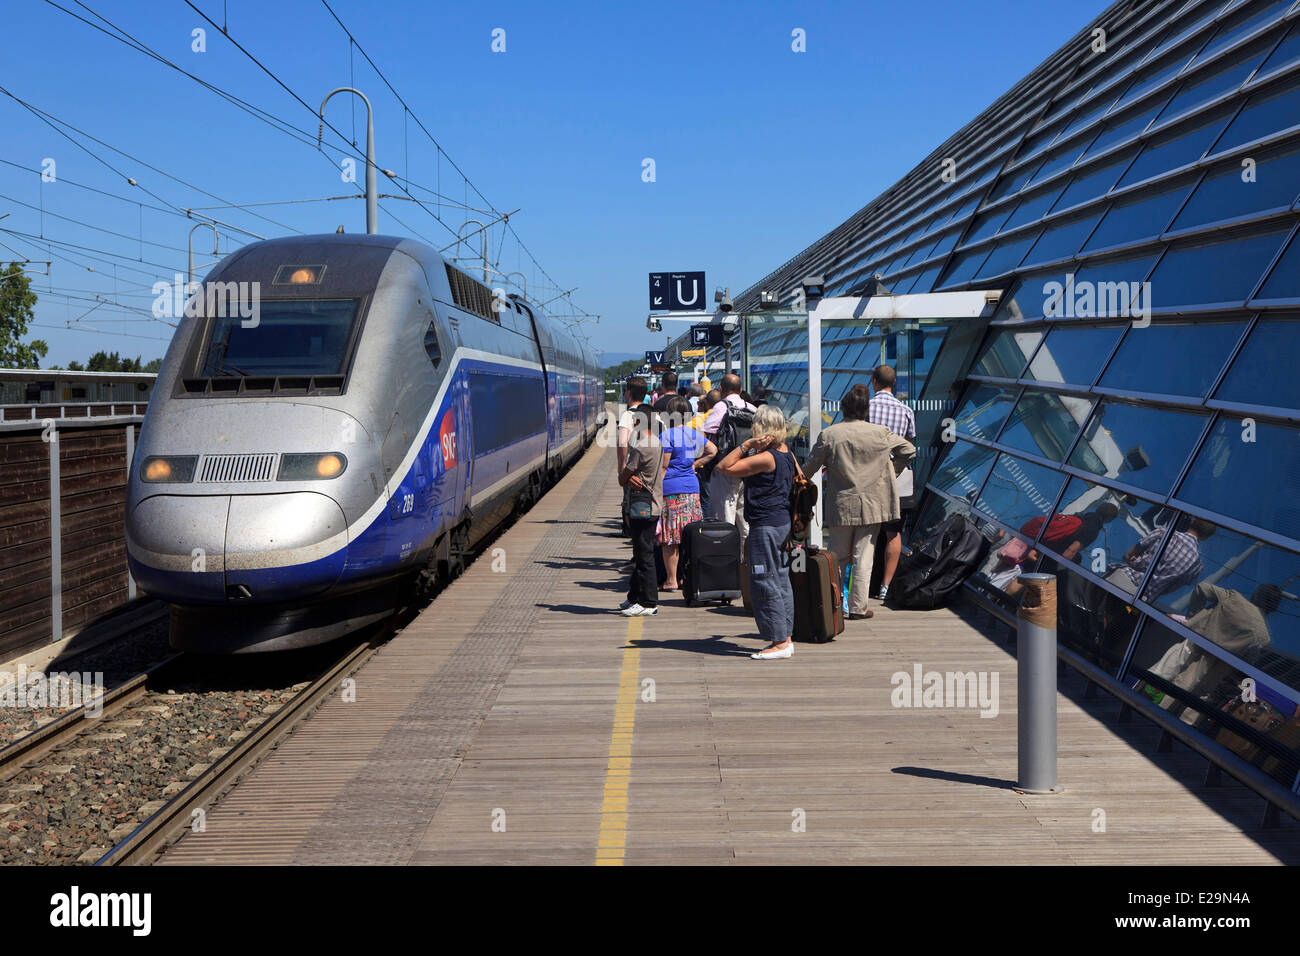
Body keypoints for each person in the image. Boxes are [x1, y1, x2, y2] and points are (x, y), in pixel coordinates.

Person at [804, 383, 915, 620]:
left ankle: (833, 603)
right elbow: (909, 449)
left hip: (841, 503)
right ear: (865, 410)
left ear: (843, 408)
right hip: (873, 502)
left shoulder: (830, 434)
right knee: (864, 556)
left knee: (838, 555)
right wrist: (891, 472)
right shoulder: (880, 433)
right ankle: (858, 607)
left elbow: (809, 468)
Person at [715, 405, 797, 660]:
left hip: (765, 526)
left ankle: (779, 641)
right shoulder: (788, 454)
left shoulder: (765, 458)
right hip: (782, 523)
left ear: (762, 429)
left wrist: (746, 444)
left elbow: (724, 467)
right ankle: (786, 636)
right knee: (781, 580)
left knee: (764, 580)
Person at [868, 365, 917, 602]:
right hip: (896, 481)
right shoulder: (906, 411)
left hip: (869, 478)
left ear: (874, 381)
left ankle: (864, 582)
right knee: (893, 533)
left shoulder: (866, 408)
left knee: (868, 532)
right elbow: (908, 445)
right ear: (894, 382)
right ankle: (886, 587)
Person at [657, 396, 716, 591]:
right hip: (692, 489)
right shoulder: (692, 434)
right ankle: (687, 577)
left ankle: (672, 579)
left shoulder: (666, 436)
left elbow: (664, 466)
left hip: (671, 490)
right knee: (689, 535)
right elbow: (712, 450)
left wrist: (654, 490)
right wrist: (694, 464)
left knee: (671, 538)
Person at [618, 410, 665, 617]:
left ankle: (648, 602)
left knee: (644, 556)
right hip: (654, 504)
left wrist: (627, 477)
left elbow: (622, 477)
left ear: (638, 421)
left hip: (642, 507)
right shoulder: (657, 442)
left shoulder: (640, 447)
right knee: (641, 553)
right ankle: (634, 597)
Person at [701, 374, 756, 549]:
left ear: (721, 390)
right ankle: (743, 563)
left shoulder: (721, 407)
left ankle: (725, 562)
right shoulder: (753, 409)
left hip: (725, 471)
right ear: (740, 390)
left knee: (724, 521)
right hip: (748, 470)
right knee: (744, 522)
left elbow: (705, 437)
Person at [1107, 517, 1216, 601]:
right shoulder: (1197, 565)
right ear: (1206, 537)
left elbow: (1128, 554)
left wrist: (1134, 561)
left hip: (1122, 579)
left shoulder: (1163, 533)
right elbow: (1170, 589)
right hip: (1141, 599)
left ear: (1192, 522)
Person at [617, 377, 649, 542]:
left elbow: (623, 442)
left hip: (634, 471)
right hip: (652, 472)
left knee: (631, 508)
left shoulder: (628, 415)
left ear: (628, 393)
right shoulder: (655, 415)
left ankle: (638, 551)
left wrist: (622, 469)